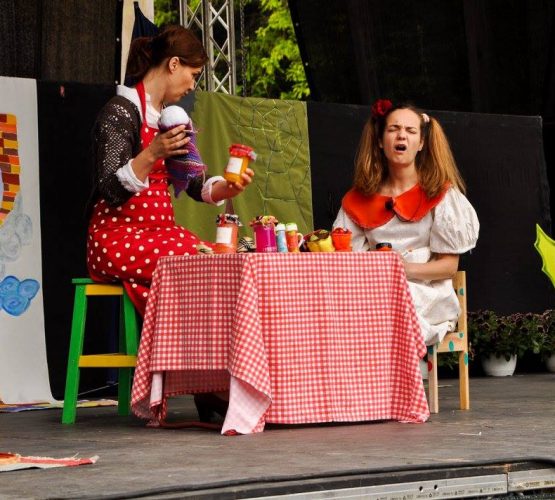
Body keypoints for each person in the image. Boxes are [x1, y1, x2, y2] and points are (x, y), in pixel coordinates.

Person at [87, 26, 253, 422]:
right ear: (173, 64)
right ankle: (210, 387)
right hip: (117, 236)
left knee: (222, 258)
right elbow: (109, 188)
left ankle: (214, 384)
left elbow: (193, 183)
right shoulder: (120, 111)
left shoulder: (171, 117)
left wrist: (226, 187)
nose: (192, 86)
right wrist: (152, 153)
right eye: (192, 75)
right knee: (199, 262)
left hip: (160, 235)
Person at [333, 99, 479, 345]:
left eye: (411, 131)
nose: (402, 135)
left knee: (391, 302)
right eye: (393, 129)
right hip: (375, 292)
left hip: (426, 293)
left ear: (421, 143)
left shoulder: (439, 194)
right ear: (380, 141)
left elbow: (448, 267)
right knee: (347, 306)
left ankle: (404, 366)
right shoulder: (358, 199)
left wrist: (400, 269)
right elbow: (347, 258)